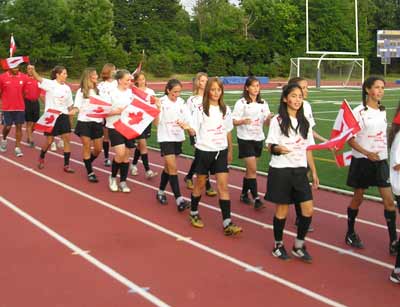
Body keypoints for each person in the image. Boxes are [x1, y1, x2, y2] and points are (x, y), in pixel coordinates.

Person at [265, 83, 318, 262]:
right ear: (285, 99)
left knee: (308, 210)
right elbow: (269, 146)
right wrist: (278, 148)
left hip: (300, 171)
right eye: (293, 96)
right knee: (282, 210)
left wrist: (314, 171)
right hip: (281, 171)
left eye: (300, 96)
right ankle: (278, 245)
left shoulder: (305, 122)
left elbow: (308, 148)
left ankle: (299, 245)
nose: (297, 99)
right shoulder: (278, 120)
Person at [345, 76, 398, 255]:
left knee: (389, 202)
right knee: (358, 198)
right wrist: (367, 153)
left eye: (383, 87)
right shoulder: (359, 111)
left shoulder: (382, 111)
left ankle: (393, 242)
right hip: (362, 161)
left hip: (381, 162)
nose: (381, 91)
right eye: (377, 87)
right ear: (367, 90)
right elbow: (349, 139)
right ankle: (350, 232)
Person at [188, 77, 242, 236]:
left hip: (221, 151)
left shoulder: (225, 109)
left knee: (223, 187)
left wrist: (230, 150)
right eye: (212, 89)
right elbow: (193, 129)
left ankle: (227, 222)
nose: (216, 93)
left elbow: (228, 131)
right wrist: (187, 128)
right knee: (200, 184)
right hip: (204, 151)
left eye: (218, 89)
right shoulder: (200, 109)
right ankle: (193, 212)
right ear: (207, 91)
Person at [288, 77, 328, 232]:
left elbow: (310, 131)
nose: (306, 90)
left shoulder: (307, 106)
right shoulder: (290, 110)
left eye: (306, 88)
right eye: (303, 88)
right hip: (295, 154)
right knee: (299, 186)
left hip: (307, 151)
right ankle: (300, 216)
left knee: (301, 184)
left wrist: (325, 141)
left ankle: (301, 215)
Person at [232, 76, 272, 209]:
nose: (256, 88)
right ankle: (256, 198)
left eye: (258, 86)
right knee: (253, 170)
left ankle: (244, 194)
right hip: (245, 138)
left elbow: (266, 124)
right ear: (246, 87)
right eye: (253, 86)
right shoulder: (241, 103)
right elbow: (233, 121)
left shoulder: (263, 103)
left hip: (258, 138)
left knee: (250, 171)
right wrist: (242, 121)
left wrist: (269, 119)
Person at [29, 65, 75, 172]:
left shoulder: (67, 88)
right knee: (49, 141)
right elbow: (39, 78)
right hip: (51, 116)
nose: (66, 75)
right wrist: (34, 70)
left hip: (63, 115)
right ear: (57, 75)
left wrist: (70, 116)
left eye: (66, 73)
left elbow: (70, 105)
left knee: (67, 139)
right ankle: (41, 157)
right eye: (64, 73)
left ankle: (66, 165)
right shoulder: (51, 84)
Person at [155, 79, 191, 212]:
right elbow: (156, 123)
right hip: (165, 138)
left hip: (178, 138)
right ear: (168, 90)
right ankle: (179, 199)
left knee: (168, 168)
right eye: (174, 92)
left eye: (179, 92)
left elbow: (188, 119)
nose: (177, 94)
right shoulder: (162, 102)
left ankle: (160, 191)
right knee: (173, 168)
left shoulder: (181, 102)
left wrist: (188, 127)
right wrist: (157, 109)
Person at [184, 72, 217, 197]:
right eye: (202, 80)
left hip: (208, 132)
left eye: (206, 80)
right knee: (203, 157)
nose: (205, 82)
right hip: (195, 132)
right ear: (198, 82)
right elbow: (187, 117)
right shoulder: (192, 100)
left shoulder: (210, 97)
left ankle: (188, 176)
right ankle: (208, 186)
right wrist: (190, 130)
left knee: (200, 157)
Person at [70, 68, 103, 182]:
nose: (96, 76)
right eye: (93, 74)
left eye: (96, 74)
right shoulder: (81, 91)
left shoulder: (99, 90)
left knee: (98, 149)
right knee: (87, 147)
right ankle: (90, 172)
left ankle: (87, 162)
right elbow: (77, 106)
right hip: (84, 122)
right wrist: (74, 111)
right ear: (88, 76)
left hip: (97, 122)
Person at [106, 69, 135, 192]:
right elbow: (102, 111)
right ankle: (112, 177)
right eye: (127, 79)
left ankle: (123, 181)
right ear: (119, 80)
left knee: (126, 156)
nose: (130, 81)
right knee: (120, 153)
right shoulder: (110, 93)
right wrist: (115, 112)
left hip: (128, 126)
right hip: (114, 126)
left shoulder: (131, 93)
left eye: (130, 79)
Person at [129, 72, 158, 179]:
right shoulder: (133, 91)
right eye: (139, 79)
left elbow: (153, 105)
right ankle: (148, 170)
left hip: (147, 121)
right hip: (137, 121)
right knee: (143, 145)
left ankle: (133, 164)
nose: (142, 81)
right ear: (136, 80)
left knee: (140, 145)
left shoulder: (150, 91)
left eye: (143, 79)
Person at [0, 62, 27, 156]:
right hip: (7, 108)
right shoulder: (2, 77)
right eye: (14, 68)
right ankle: (4, 139)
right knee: (7, 127)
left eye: (18, 68)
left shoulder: (24, 77)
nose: (17, 69)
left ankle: (17, 147)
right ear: (9, 68)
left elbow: (24, 92)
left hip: (20, 107)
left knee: (19, 127)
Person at [98, 63, 117, 167]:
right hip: (107, 114)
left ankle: (119, 155)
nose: (115, 71)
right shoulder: (101, 85)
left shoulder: (117, 83)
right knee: (106, 137)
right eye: (114, 70)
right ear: (108, 71)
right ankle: (106, 157)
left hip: (118, 113)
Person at [24, 65, 41, 147]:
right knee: (29, 122)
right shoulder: (24, 78)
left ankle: (29, 134)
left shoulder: (38, 79)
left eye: (32, 69)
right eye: (29, 69)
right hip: (27, 102)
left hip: (36, 103)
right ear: (26, 70)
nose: (30, 70)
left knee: (35, 123)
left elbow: (41, 93)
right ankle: (30, 139)